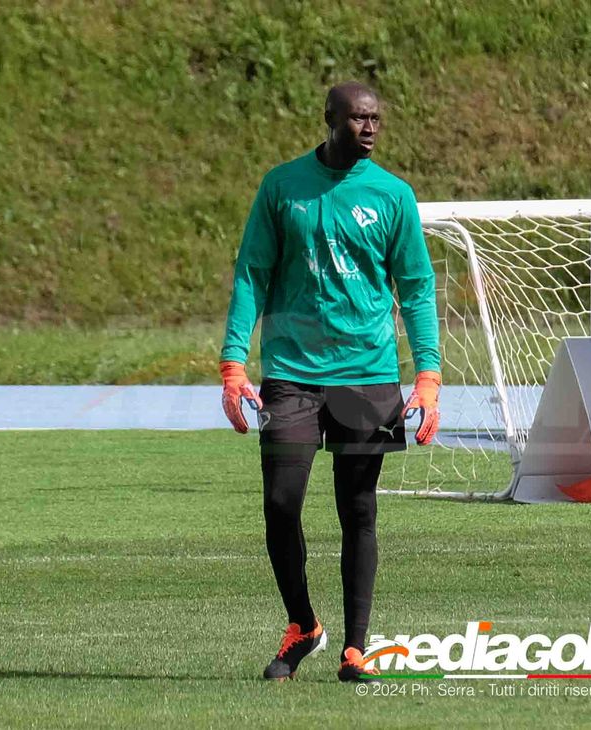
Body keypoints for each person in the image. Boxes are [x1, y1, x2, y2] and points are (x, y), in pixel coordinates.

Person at [218, 81, 441, 683]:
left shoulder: (393, 194)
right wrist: (234, 364)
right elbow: (252, 273)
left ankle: (355, 647)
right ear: (330, 119)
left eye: (375, 119)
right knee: (280, 502)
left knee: (358, 509)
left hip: (368, 374)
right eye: (357, 118)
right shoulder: (282, 186)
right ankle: (303, 625)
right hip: (291, 374)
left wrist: (428, 376)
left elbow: (417, 287)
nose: (369, 128)